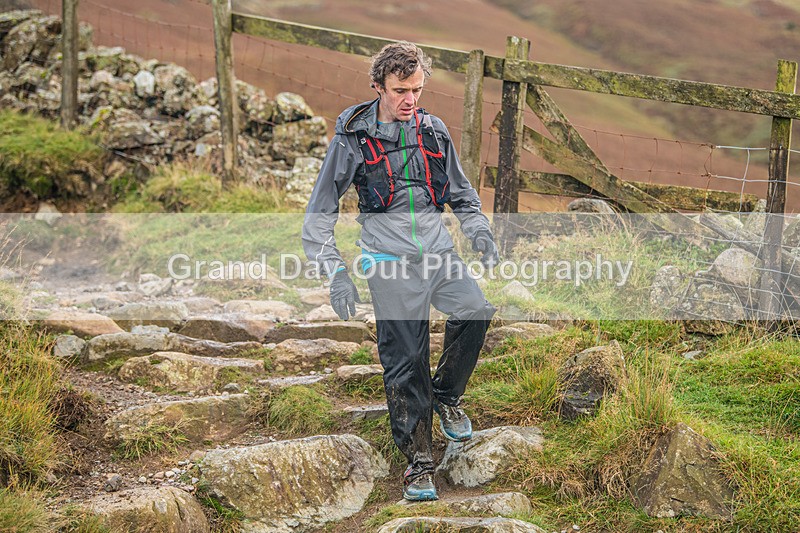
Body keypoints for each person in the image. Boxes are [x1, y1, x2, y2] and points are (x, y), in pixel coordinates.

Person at [302, 41, 498, 501]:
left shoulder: (433, 131)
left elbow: (463, 196)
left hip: (438, 253)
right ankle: (418, 465)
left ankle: (445, 397)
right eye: (400, 90)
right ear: (378, 88)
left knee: (475, 310)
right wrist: (335, 273)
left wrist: (479, 232)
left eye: (417, 90)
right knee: (405, 360)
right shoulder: (352, 139)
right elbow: (318, 216)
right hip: (387, 262)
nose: (411, 100)